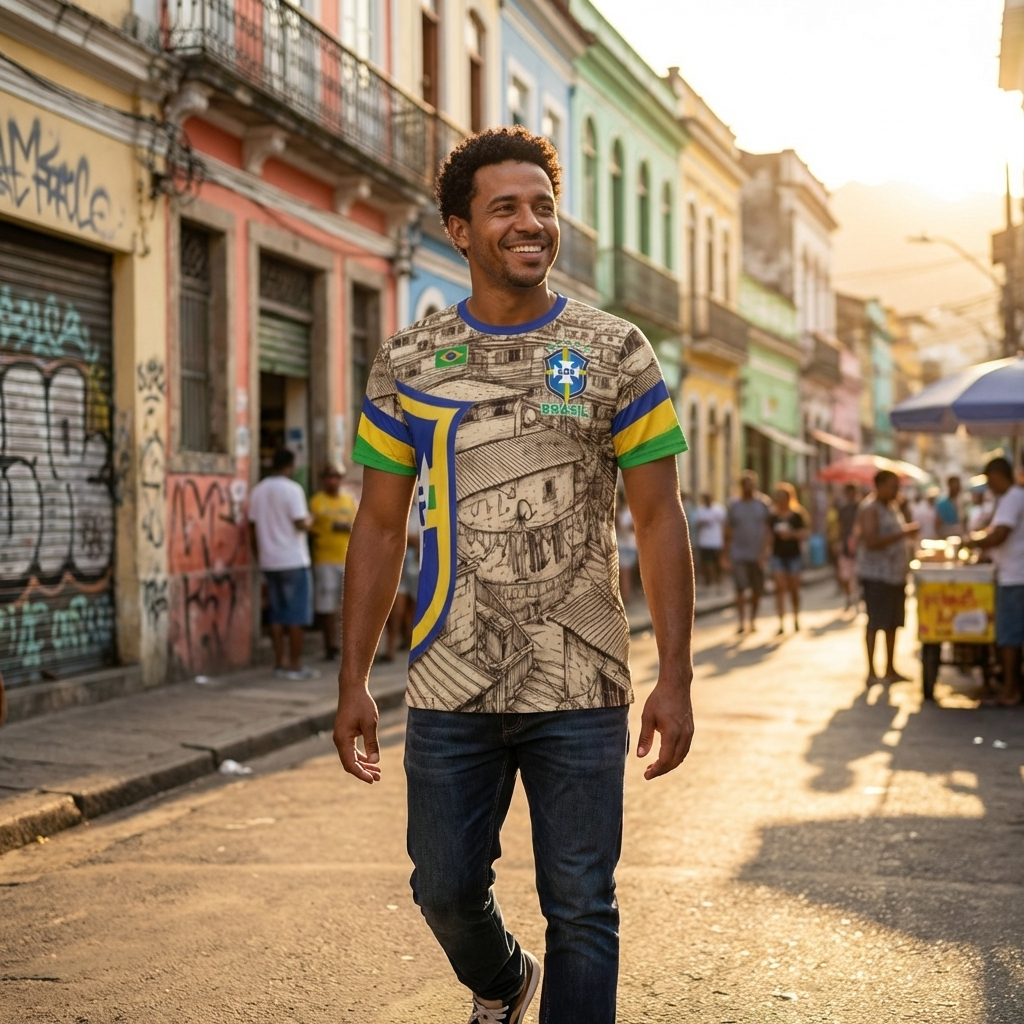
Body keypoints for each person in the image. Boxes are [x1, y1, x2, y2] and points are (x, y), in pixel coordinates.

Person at [333, 126, 695, 1024]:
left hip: (582, 681)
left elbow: (659, 516)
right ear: (460, 229)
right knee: (444, 888)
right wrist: (352, 680)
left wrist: (676, 675)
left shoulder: (615, 352)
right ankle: (502, 980)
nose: (531, 223)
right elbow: (379, 526)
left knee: (583, 905)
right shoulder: (410, 362)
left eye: (543, 206)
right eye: (506, 208)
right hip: (451, 681)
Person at [248, 448, 318, 681]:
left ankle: (280, 662)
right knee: (297, 614)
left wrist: (259, 556)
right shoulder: (293, 489)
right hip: (293, 559)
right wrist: (311, 520)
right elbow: (300, 523)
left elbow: (252, 527)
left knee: (276, 614)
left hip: (270, 560)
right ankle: (295, 665)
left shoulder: (258, 490)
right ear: (290, 465)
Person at [966, 457, 1024, 707]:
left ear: (999, 476)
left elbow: (999, 534)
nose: (990, 486)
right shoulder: (1011, 497)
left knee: (1009, 637)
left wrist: (974, 542)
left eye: (990, 480)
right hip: (1011, 573)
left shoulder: (1013, 497)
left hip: (1014, 576)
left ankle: (1010, 691)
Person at [856, 469, 918, 684]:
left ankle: (890, 669)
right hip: (877, 576)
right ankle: (872, 672)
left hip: (895, 575)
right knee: (875, 622)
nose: (896, 491)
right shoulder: (870, 509)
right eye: (892, 486)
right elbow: (871, 541)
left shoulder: (892, 507)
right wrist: (902, 533)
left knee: (892, 623)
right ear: (879, 486)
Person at [309, 463, 358, 661]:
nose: (332, 480)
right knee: (327, 607)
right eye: (328, 477)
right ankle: (330, 646)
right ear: (323, 480)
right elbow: (310, 527)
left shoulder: (349, 501)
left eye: (336, 477)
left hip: (347, 559)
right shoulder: (317, 502)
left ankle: (347, 647)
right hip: (325, 560)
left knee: (347, 607)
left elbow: (358, 526)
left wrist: (346, 526)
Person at [724, 471, 770, 633]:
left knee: (757, 590)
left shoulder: (763, 504)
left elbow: (768, 530)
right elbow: (728, 530)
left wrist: (764, 553)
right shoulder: (734, 505)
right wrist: (725, 554)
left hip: (757, 554)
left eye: (751, 484)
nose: (748, 488)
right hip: (738, 553)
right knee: (740, 589)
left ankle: (753, 619)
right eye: (745, 485)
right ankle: (742, 622)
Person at [768, 482, 809, 634]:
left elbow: (805, 533)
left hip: (794, 556)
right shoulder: (773, 516)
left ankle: (796, 617)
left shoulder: (797, 515)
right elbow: (769, 536)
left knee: (794, 589)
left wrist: (790, 534)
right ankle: (781, 622)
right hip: (777, 555)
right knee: (779, 588)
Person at [692, 493, 726, 586]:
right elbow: (695, 524)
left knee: (716, 562)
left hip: (716, 541)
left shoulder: (719, 510)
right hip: (704, 541)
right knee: (706, 562)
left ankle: (718, 580)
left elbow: (724, 525)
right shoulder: (700, 510)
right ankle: (708, 580)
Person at [835, 483, 860, 611]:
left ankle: (856, 598)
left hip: (859, 546)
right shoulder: (843, 509)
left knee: (856, 575)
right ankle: (849, 597)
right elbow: (839, 527)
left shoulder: (861, 507)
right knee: (844, 575)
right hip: (846, 545)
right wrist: (838, 541)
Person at [616, 495, 639, 603]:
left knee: (625, 572)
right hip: (623, 545)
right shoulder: (621, 513)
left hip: (627, 545)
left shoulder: (629, 513)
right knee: (624, 572)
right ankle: (626, 593)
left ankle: (626, 595)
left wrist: (623, 526)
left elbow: (634, 528)